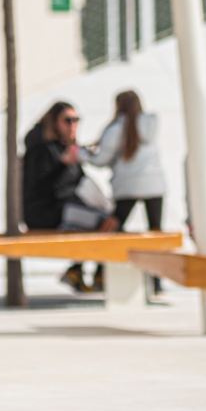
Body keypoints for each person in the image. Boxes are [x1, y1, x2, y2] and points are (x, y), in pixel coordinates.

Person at [87, 91, 165, 295]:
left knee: (112, 226)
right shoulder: (150, 124)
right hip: (154, 184)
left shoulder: (114, 129)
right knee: (155, 231)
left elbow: (100, 160)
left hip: (127, 186)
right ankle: (157, 283)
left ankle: (99, 272)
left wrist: (81, 154)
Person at [21, 102, 103, 293]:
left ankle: (81, 271)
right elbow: (40, 188)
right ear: (54, 121)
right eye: (68, 120)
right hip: (44, 212)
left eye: (76, 120)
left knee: (108, 218)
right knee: (101, 221)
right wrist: (63, 164)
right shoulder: (41, 149)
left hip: (65, 208)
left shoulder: (68, 148)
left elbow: (79, 183)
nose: (73, 124)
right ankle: (93, 273)